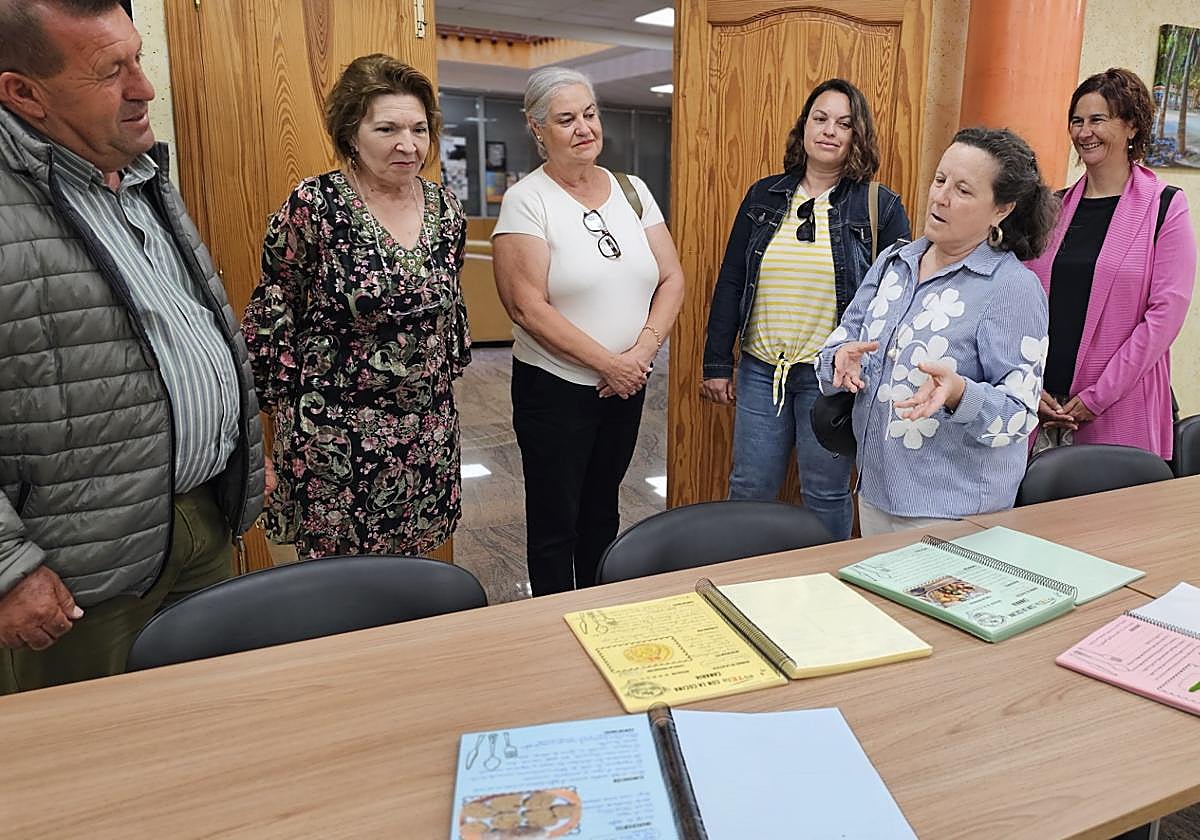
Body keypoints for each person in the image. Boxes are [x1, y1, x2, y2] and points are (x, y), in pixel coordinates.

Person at [0, 0, 265, 692]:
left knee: (205, 729)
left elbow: (184, 331)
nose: (144, 87)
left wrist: (241, 447)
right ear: (24, 92)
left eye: (139, 57)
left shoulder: (138, 173)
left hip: (200, 520)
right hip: (74, 570)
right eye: (109, 71)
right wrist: (7, 567)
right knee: (85, 775)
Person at [242, 54, 469, 559]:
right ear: (351, 132)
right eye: (386, 128)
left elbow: (448, 310)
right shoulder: (314, 205)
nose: (406, 145)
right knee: (339, 591)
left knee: (411, 585)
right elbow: (274, 311)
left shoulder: (446, 209)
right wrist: (267, 434)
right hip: (335, 438)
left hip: (426, 430)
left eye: (418, 129)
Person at [492, 67, 684, 596]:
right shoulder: (527, 200)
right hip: (556, 389)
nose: (584, 128)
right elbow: (526, 306)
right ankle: (551, 621)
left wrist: (640, 353)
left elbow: (672, 277)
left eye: (590, 114)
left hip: (626, 383)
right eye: (566, 119)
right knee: (557, 520)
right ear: (537, 130)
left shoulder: (633, 190)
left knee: (603, 508)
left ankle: (601, 608)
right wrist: (609, 363)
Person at [816, 128, 1058, 536]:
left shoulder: (1011, 287)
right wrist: (838, 359)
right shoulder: (895, 262)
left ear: (1001, 209)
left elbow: (1018, 415)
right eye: (940, 180)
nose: (941, 197)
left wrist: (961, 393)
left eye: (963, 190)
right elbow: (842, 341)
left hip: (955, 510)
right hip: (875, 490)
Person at [701, 79, 910, 541]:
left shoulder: (881, 206)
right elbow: (732, 279)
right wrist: (717, 361)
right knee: (749, 487)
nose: (830, 131)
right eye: (820, 118)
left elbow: (898, 299)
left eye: (844, 123)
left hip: (831, 380)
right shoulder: (763, 196)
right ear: (804, 127)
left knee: (826, 493)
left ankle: (825, 590)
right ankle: (740, 585)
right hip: (760, 371)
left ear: (858, 136)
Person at [1025, 68, 1196, 458]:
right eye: (1077, 120)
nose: (1084, 132)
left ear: (1132, 126)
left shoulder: (1166, 207)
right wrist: (1028, 387)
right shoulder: (1051, 207)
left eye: (1097, 120)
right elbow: (1020, 302)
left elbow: (1163, 318)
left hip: (1118, 410)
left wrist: (1096, 397)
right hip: (1040, 410)